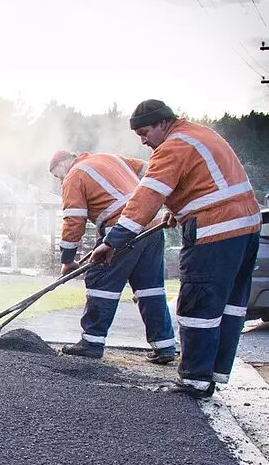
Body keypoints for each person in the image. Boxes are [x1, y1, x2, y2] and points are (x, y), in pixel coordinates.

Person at [91, 99, 262, 398]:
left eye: (145, 132)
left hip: (215, 230)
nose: (144, 140)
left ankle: (195, 380)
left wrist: (111, 242)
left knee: (199, 303)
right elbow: (206, 182)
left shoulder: (172, 147)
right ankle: (213, 373)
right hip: (246, 229)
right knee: (229, 304)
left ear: (162, 123)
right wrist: (178, 210)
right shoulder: (200, 134)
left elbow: (146, 198)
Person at [49, 149, 177, 362]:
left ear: (62, 164)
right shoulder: (110, 158)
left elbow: (73, 220)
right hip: (151, 225)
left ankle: (92, 342)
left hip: (121, 228)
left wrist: (68, 261)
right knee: (150, 289)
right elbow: (152, 171)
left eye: (56, 175)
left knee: (101, 282)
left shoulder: (73, 176)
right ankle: (165, 346)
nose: (59, 180)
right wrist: (169, 203)